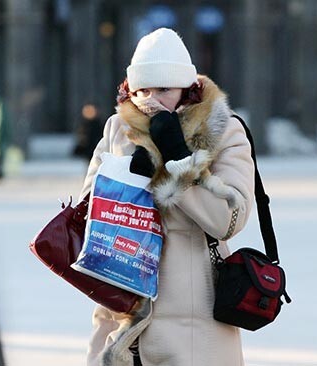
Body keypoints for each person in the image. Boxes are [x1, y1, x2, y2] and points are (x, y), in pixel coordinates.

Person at [79, 28, 254, 366]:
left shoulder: (223, 129)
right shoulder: (118, 128)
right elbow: (91, 216)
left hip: (194, 335)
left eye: (164, 89)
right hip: (123, 329)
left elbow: (229, 220)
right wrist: (126, 178)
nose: (153, 100)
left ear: (187, 88)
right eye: (143, 90)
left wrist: (178, 164)